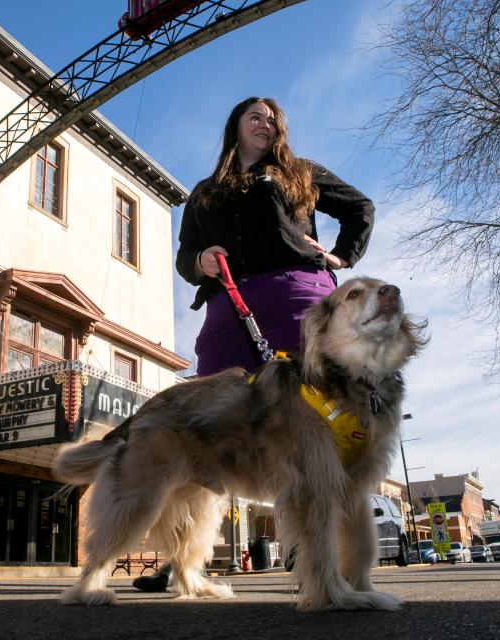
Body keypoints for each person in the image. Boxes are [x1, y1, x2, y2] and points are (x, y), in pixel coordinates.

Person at [133, 96, 374, 592]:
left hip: (297, 298)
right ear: (236, 127)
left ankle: (328, 563)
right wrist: (199, 262)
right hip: (228, 307)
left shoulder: (298, 172)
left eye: (274, 119)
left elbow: (359, 208)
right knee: (209, 430)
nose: (266, 124)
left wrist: (340, 257)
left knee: (313, 425)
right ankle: (183, 559)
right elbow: (184, 255)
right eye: (256, 117)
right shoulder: (205, 192)